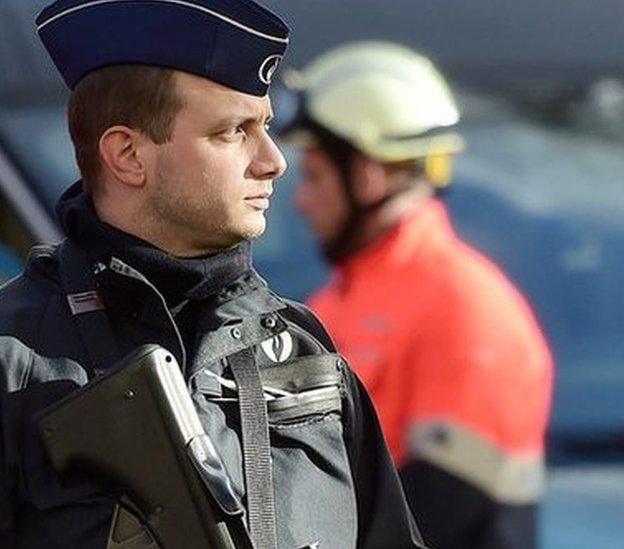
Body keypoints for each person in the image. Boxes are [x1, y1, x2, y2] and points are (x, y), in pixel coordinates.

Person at [0, 2, 425, 548]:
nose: (273, 160)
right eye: (233, 132)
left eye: (266, 126)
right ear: (127, 154)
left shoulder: (300, 346)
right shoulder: (15, 357)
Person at [284, 42, 554, 549]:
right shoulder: (332, 303)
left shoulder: (465, 308)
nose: (301, 200)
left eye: (315, 176)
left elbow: (437, 514)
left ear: (367, 175)